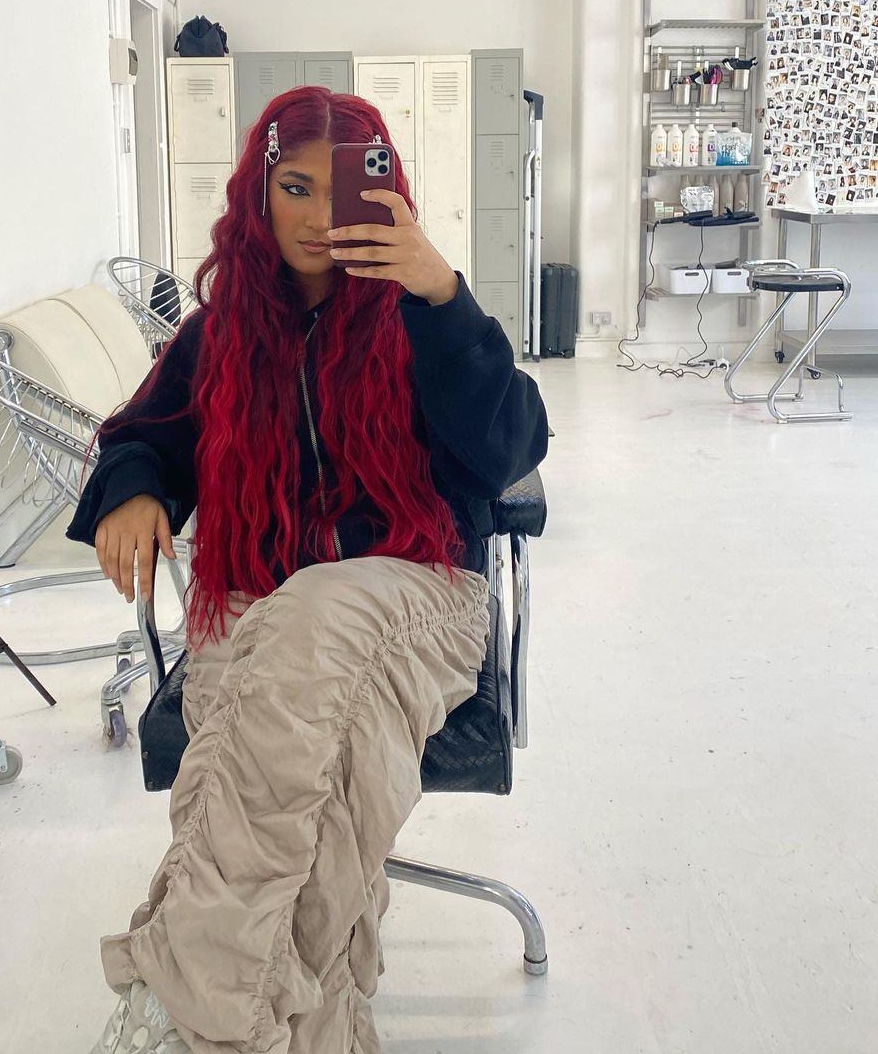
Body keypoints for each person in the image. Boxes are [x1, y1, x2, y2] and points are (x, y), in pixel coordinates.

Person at [67, 86, 549, 1054]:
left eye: (342, 189)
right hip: (256, 607)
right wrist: (133, 488)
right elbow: (140, 435)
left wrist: (443, 295)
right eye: (295, 187)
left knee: (318, 619)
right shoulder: (219, 338)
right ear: (259, 193)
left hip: (417, 595)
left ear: (387, 192)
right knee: (307, 786)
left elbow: (512, 447)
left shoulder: (421, 319)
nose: (321, 216)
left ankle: (182, 1000)